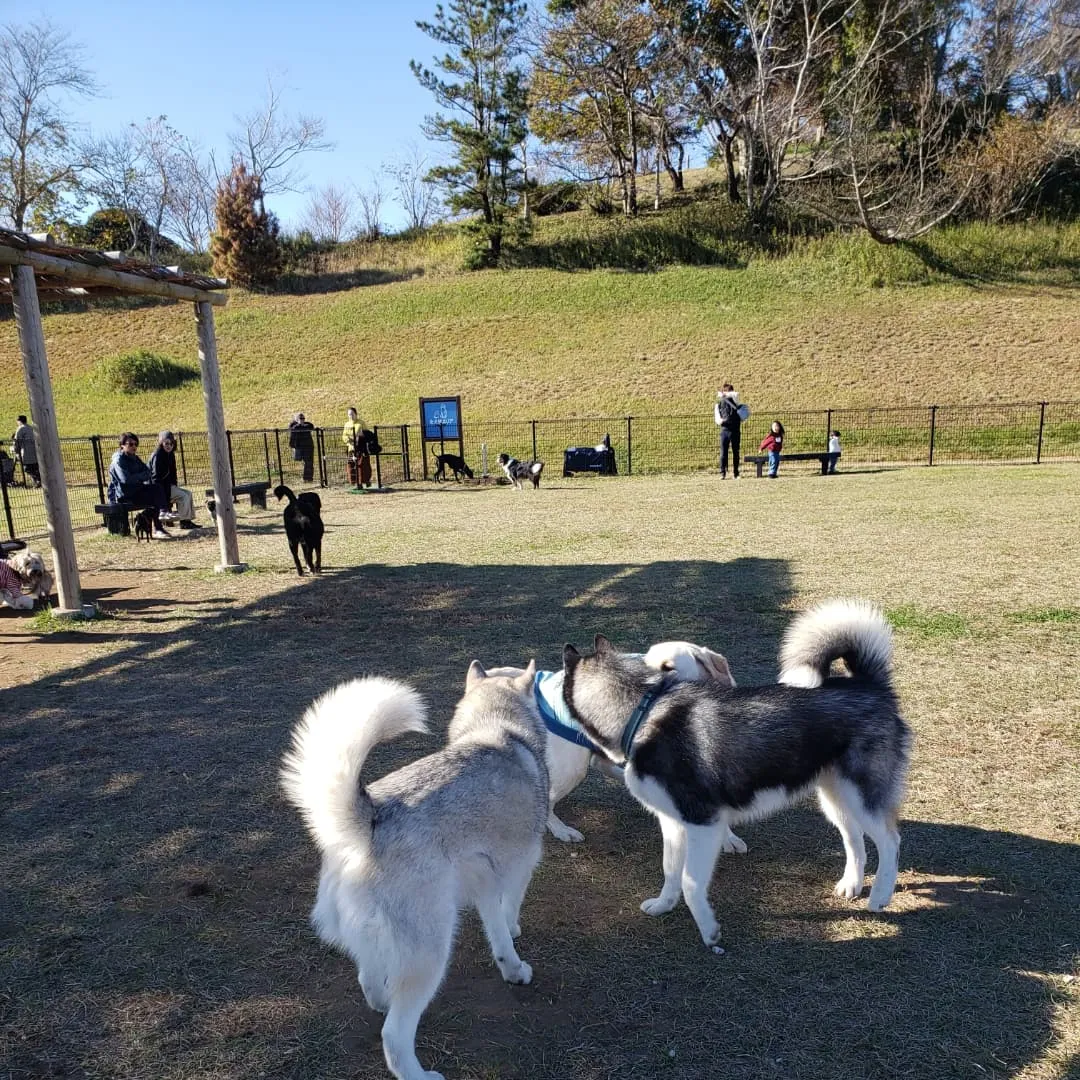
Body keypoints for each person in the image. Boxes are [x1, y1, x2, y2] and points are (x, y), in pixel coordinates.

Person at [107, 432, 171, 539]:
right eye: (130, 444)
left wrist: (136, 477)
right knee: (154, 496)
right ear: (122, 445)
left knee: (157, 489)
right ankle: (157, 522)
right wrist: (140, 476)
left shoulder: (135, 458)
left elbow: (148, 472)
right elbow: (125, 479)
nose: (134, 447)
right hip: (125, 495)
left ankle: (161, 519)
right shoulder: (118, 461)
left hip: (137, 491)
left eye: (136, 444)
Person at [149, 431, 199, 528]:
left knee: (188, 493)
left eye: (171, 443)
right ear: (161, 443)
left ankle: (187, 520)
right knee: (183, 496)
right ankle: (184, 522)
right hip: (159, 489)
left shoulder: (170, 454)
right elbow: (155, 478)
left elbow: (173, 472)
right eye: (166, 443)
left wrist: (174, 485)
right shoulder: (158, 455)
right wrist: (163, 495)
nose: (169, 446)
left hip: (168, 486)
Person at [714, 384, 742, 479]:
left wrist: (725, 394)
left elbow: (736, 394)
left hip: (735, 429)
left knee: (736, 452)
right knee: (723, 453)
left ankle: (736, 473)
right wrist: (720, 421)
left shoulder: (734, 399)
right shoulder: (718, 404)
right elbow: (717, 417)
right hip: (725, 430)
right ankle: (723, 473)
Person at [342, 406, 373, 488]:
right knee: (351, 465)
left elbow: (367, 434)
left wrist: (360, 436)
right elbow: (344, 436)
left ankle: (364, 482)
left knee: (362, 465)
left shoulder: (361, 423)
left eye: (352, 414)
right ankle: (354, 482)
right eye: (349, 414)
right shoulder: (347, 424)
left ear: (356, 414)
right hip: (351, 448)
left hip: (361, 448)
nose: (350, 416)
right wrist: (348, 441)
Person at [12, 415, 40, 487]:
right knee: (35, 467)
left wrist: (15, 450)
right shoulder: (31, 428)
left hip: (25, 452)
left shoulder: (20, 429)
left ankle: (37, 480)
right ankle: (37, 481)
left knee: (27, 468)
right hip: (35, 452)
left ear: (19, 421)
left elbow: (16, 441)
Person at [288, 412, 316, 483]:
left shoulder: (307, 425)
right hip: (299, 447)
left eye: (303, 418)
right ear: (297, 419)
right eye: (301, 418)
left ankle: (308, 479)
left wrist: (302, 425)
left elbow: (311, 426)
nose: (302, 419)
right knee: (303, 462)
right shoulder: (293, 425)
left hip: (308, 447)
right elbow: (293, 428)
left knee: (309, 463)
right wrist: (300, 425)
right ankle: (306, 478)